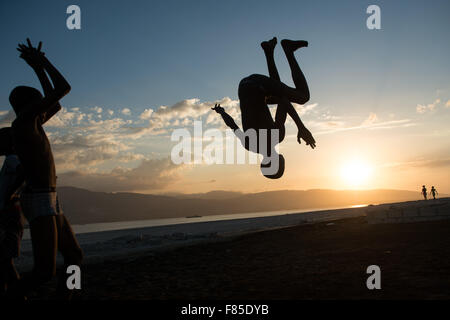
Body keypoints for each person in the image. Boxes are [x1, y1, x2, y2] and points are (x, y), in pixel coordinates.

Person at [10, 39, 83, 299]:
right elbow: (63, 89)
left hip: (51, 198)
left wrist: (38, 69)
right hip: (39, 198)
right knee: (44, 272)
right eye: (40, 101)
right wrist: (42, 64)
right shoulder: (24, 125)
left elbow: (57, 102)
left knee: (74, 255)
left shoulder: (34, 122)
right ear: (30, 106)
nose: (45, 105)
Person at [212, 37, 315, 179]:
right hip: (243, 87)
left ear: (278, 163)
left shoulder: (276, 136)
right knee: (277, 92)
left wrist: (301, 127)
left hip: (257, 85)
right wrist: (222, 112)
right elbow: (232, 125)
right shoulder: (249, 145)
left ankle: (288, 50)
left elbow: (285, 102)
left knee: (303, 96)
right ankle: (268, 51)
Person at [0, 129, 25, 299]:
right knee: (3, 261)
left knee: (5, 261)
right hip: (11, 213)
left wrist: (10, 193)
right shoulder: (10, 160)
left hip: (8, 215)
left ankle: (18, 294)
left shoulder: (11, 159)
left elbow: (23, 173)